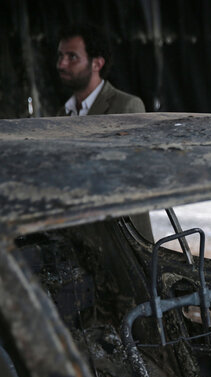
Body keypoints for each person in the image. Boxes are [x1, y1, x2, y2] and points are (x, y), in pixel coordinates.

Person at [56, 23, 151, 242]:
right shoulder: (61, 114)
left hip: (126, 243)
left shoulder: (126, 107)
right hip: (81, 241)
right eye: (60, 56)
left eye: (72, 57)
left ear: (97, 63)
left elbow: (133, 175)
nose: (61, 64)